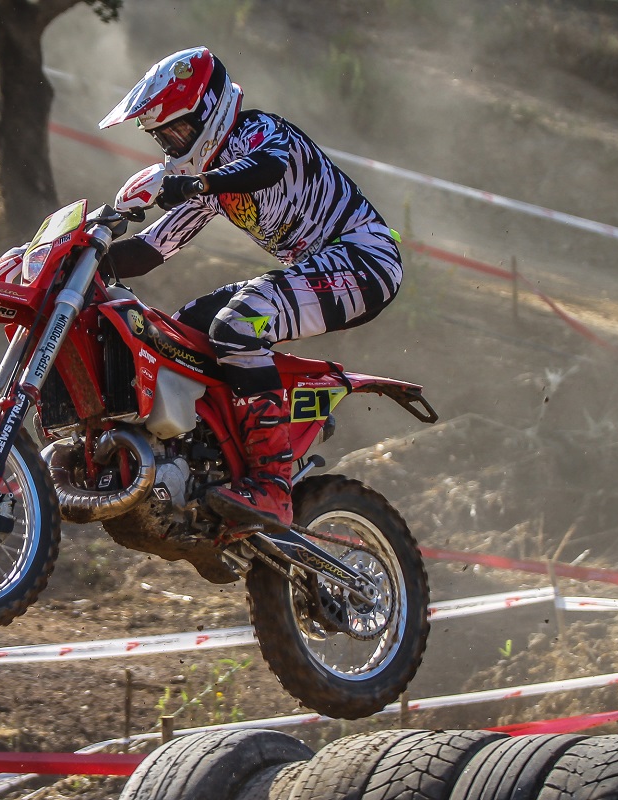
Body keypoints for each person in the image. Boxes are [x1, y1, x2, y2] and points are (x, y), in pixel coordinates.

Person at [94, 46, 405, 533]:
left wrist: (193, 185)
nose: (172, 144)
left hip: (365, 261)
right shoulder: (208, 179)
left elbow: (267, 168)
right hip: (318, 269)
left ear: (211, 110)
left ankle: (272, 485)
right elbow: (153, 249)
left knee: (239, 325)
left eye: (178, 129)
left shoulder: (260, 134)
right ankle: (212, 462)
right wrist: (85, 255)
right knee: (181, 329)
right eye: (163, 136)